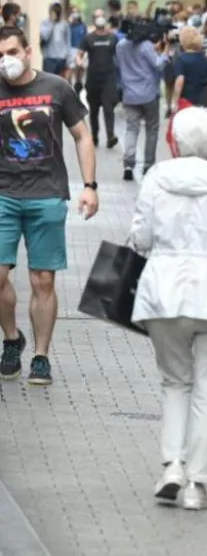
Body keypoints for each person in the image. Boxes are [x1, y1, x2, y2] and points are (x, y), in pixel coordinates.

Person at [128, 107, 207, 511]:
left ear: (175, 139)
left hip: (163, 290)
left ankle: (172, 465)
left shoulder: (156, 178)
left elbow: (141, 236)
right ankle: (198, 484)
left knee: (174, 382)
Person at [0, 26, 97, 386]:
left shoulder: (56, 88)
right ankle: (12, 339)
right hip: (3, 194)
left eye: (11, 52)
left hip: (47, 193)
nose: (5, 61)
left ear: (27, 51)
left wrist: (89, 186)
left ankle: (40, 355)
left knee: (43, 280)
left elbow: (83, 135)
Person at [115, 25, 171, 181]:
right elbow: (158, 65)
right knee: (152, 129)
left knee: (131, 129)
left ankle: (128, 164)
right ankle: (148, 165)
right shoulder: (146, 46)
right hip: (148, 94)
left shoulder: (121, 46)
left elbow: (119, 66)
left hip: (129, 94)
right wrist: (165, 52)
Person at [78, 13, 121, 148]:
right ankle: (94, 136)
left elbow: (119, 54)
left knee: (109, 108)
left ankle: (110, 135)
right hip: (93, 78)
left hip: (109, 77)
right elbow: (79, 54)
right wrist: (80, 63)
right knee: (94, 109)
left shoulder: (113, 38)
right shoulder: (88, 39)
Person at [171, 27, 207, 110]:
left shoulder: (181, 59)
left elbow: (180, 80)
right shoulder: (204, 58)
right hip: (204, 100)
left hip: (187, 101)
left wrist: (175, 101)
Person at [39, 2, 72, 79]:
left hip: (61, 59)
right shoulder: (45, 23)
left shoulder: (64, 24)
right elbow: (45, 37)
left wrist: (68, 59)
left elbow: (68, 42)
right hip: (49, 58)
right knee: (49, 82)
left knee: (60, 82)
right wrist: (51, 23)